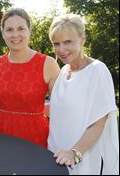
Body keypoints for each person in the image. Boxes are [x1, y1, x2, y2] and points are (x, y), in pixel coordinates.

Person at [47, 14, 119, 175]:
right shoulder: (64, 71)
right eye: (56, 44)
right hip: (55, 154)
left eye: (68, 42)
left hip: (79, 159)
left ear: (82, 39)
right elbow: (61, 110)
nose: (61, 49)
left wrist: (74, 153)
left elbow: (99, 122)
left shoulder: (97, 70)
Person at [0, 8, 60, 148]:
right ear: (2, 33)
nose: (15, 35)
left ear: (29, 30)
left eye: (20, 28)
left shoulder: (48, 64)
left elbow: (61, 106)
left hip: (34, 135)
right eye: (9, 30)